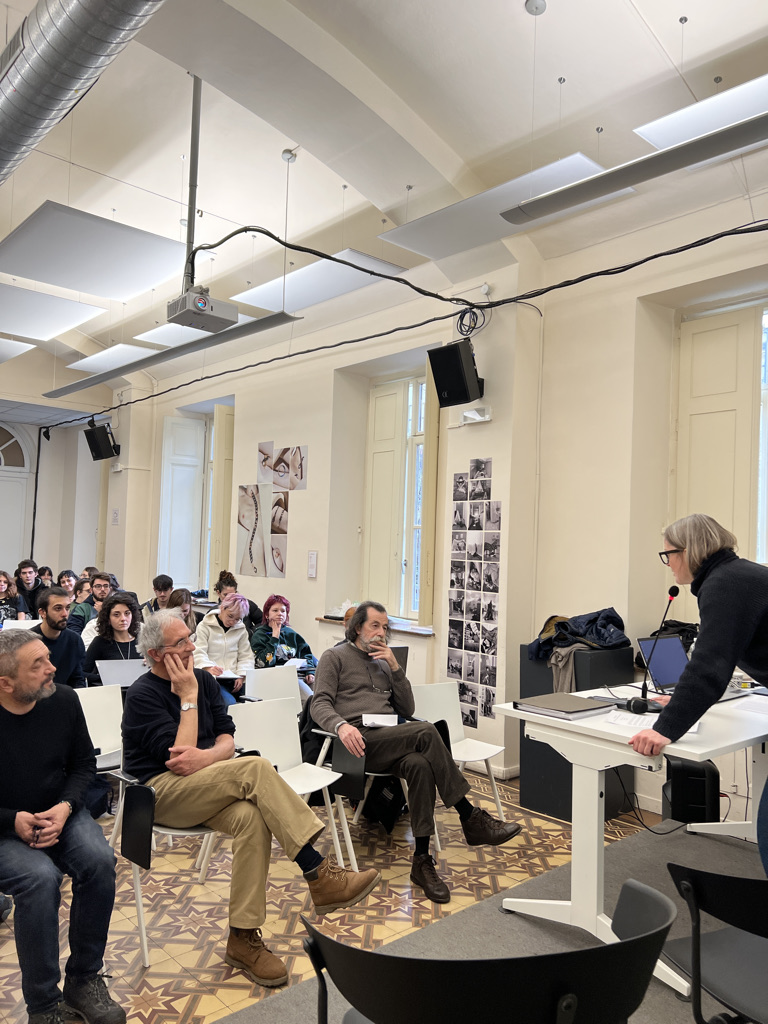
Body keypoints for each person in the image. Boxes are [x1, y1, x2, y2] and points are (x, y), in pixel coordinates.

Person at [121, 609, 380, 987]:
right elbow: (180, 758)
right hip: (160, 793)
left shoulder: (206, 684)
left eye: (190, 638)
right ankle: (318, 872)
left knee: (252, 818)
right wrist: (188, 698)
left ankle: (243, 939)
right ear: (158, 654)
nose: (192, 646)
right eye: (182, 643)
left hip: (207, 780)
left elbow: (226, 739)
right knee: (256, 767)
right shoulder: (144, 694)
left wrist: (209, 754)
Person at [311, 601, 523, 904]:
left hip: (389, 737)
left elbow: (407, 708)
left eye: (385, 627)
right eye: (375, 625)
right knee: (426, 730)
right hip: (357, 742)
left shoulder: (385, 662)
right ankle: (470, 816)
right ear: (357, 627)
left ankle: (422, 861)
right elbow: (319, 704)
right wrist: (341, 727)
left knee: (420, 765)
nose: (381, 632)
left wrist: (395, 668)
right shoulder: (335, 657)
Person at [628, 514, 768, 874]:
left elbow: (710, 666)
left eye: (669, 555)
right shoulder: (740, 575)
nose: (669, 564)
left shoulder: (725, 583)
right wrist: (681, 700)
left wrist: (664, 728)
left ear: (690, 551)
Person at [0, 629, 125, 1024]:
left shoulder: (64, 701)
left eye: (48, 658)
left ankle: (84, 978)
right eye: (37, 665)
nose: (52, 668)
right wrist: (12, 819)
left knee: (99, 860)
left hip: (61, 812)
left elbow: (84, 765)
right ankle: (43, 1005)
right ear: (5, 683)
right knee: (40, 879)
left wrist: (66, 806)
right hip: (4, 826)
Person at [193, 593, 253, 705]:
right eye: (230, 616)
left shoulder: (241, 629)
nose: (233, 622)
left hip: (235, 678)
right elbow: (198, 652)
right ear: (222, 608)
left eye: (238, 619)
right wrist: (208, 668)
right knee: (229, 703)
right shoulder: (204, 626)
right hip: (214, 678)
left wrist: (242, 675)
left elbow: (246, 656)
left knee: (257, 700)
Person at [250, 594, 317, 692]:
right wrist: (274, 637)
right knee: (309, 698)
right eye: (275, 610)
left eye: (283, 611)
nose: (280, 614)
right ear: (266, 614)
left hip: (298, 674)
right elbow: (264, 662)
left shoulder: (291, 634)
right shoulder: (259, 635)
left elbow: (306, 654)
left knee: (322, 693)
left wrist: (310, 672)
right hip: (274, 678)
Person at [82, 593, 142, 686]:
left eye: (127, 613)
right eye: (116, 614)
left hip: (140, 693)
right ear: (108, 619)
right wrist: (107, 677)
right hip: (111, 694)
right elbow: (83, 672)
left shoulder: (143, 641)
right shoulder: (100, 642)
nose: (123, 619)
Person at [31, 588, 85, 689]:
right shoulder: (29, 641)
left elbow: (78, 679)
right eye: (58, 608)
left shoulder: (74, 640)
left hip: (66, 697)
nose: (65, 614)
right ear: (42, 612)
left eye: (67, 608)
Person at [213, 570, 262, 638]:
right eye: (225, 595)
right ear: (219, 593)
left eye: (232, 594)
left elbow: (262, 621)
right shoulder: (213, 613)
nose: (229, 597)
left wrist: (251, 632)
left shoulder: (247, 605)